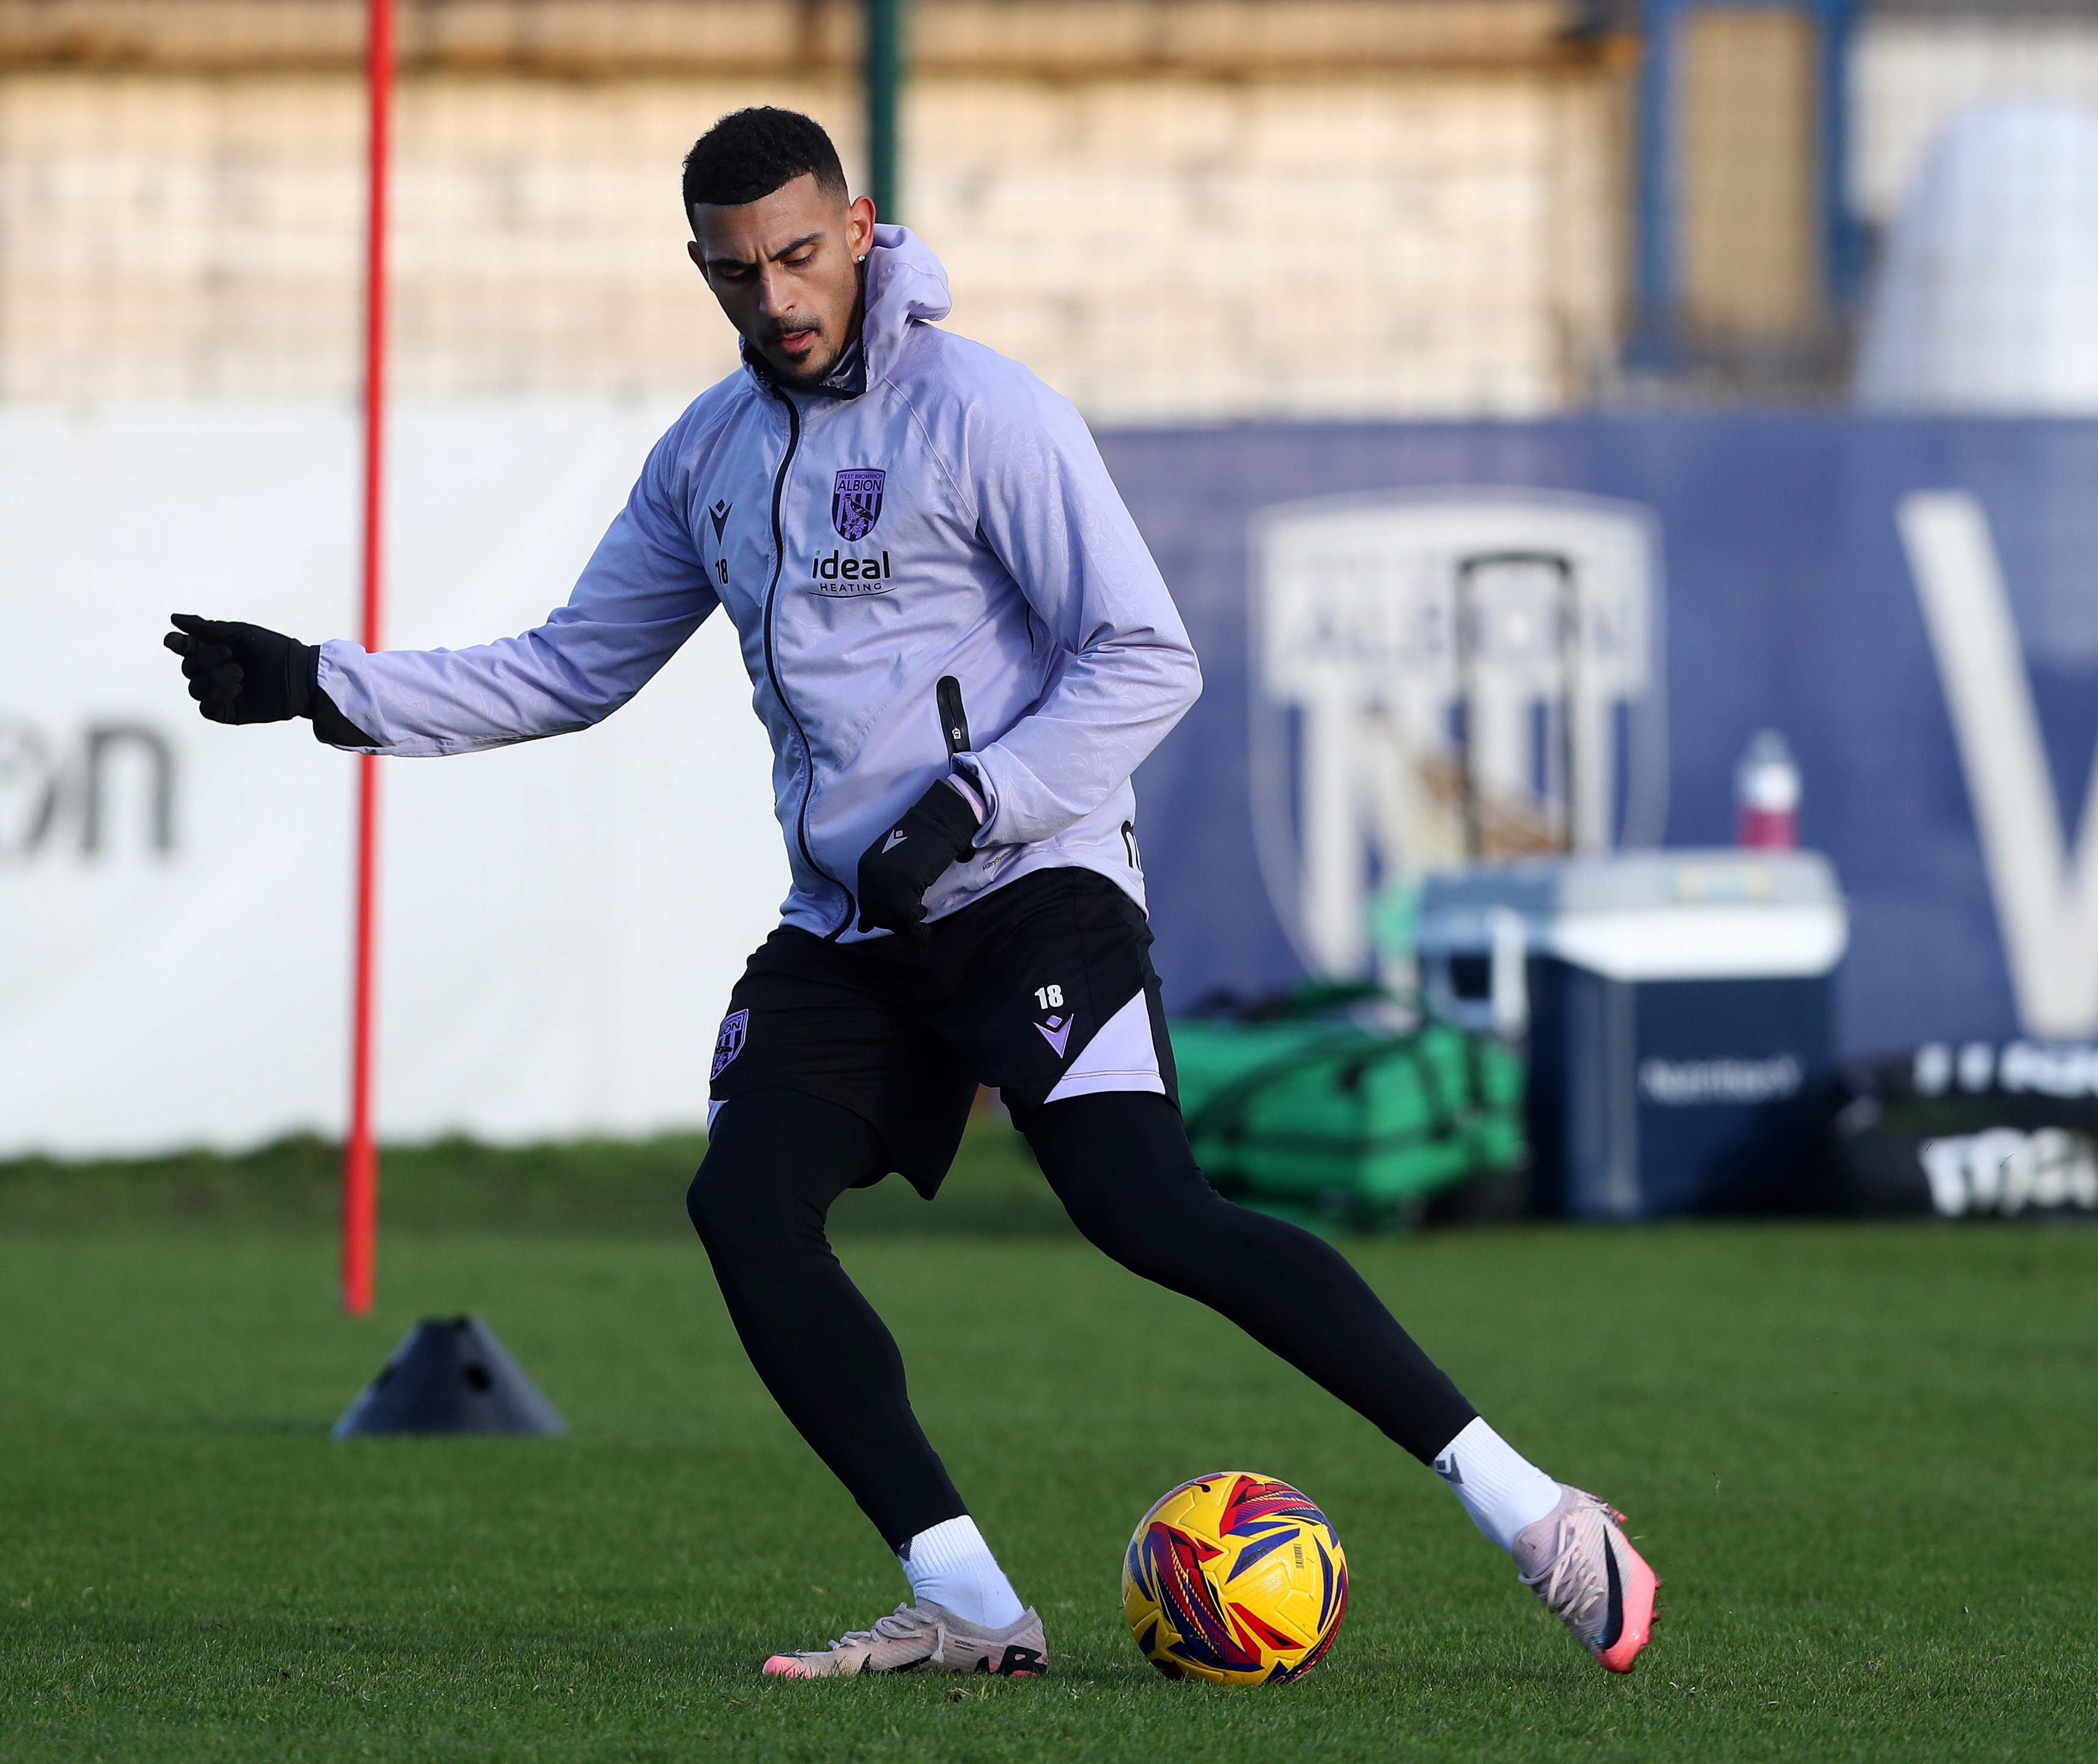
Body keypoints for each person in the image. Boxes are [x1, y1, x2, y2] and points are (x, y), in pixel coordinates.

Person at [163, 106, 1659, 1681]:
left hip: (1032, 885)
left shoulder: (983, 413)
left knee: (1141, 1211)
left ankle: (1536, 1514)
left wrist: (970, 803)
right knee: (743, 1208)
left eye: (801, 256)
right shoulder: (708, 460)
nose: (778, 298)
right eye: (739, 274)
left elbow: (1147, 656)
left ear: (859, 229)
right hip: (853, 929)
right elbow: (569, 669)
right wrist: (324, 683)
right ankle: (963, 1600)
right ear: (704, 272)